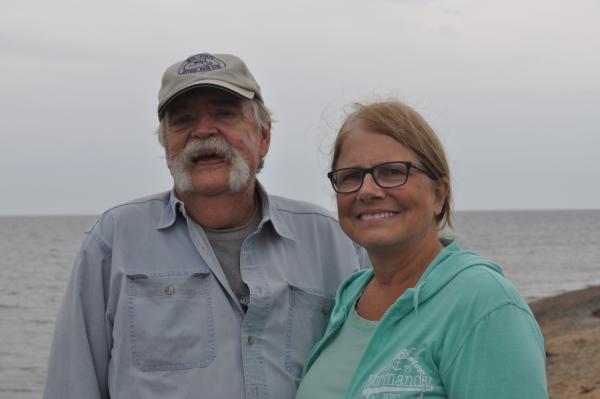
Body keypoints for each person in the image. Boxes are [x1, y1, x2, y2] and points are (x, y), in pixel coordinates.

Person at [43, 53, 368, 399]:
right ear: (167, 146)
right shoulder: (113, 240)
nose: (203, 131)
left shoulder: (335, 243)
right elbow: (72, 383)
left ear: (264, 137)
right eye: (182, 121)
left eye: (224, 113)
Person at [295, 100, 548, 398]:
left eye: (391, 171)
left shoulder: (483, 303)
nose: (367, 191)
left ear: (439, 194)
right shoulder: (349, 298)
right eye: (350, 176)